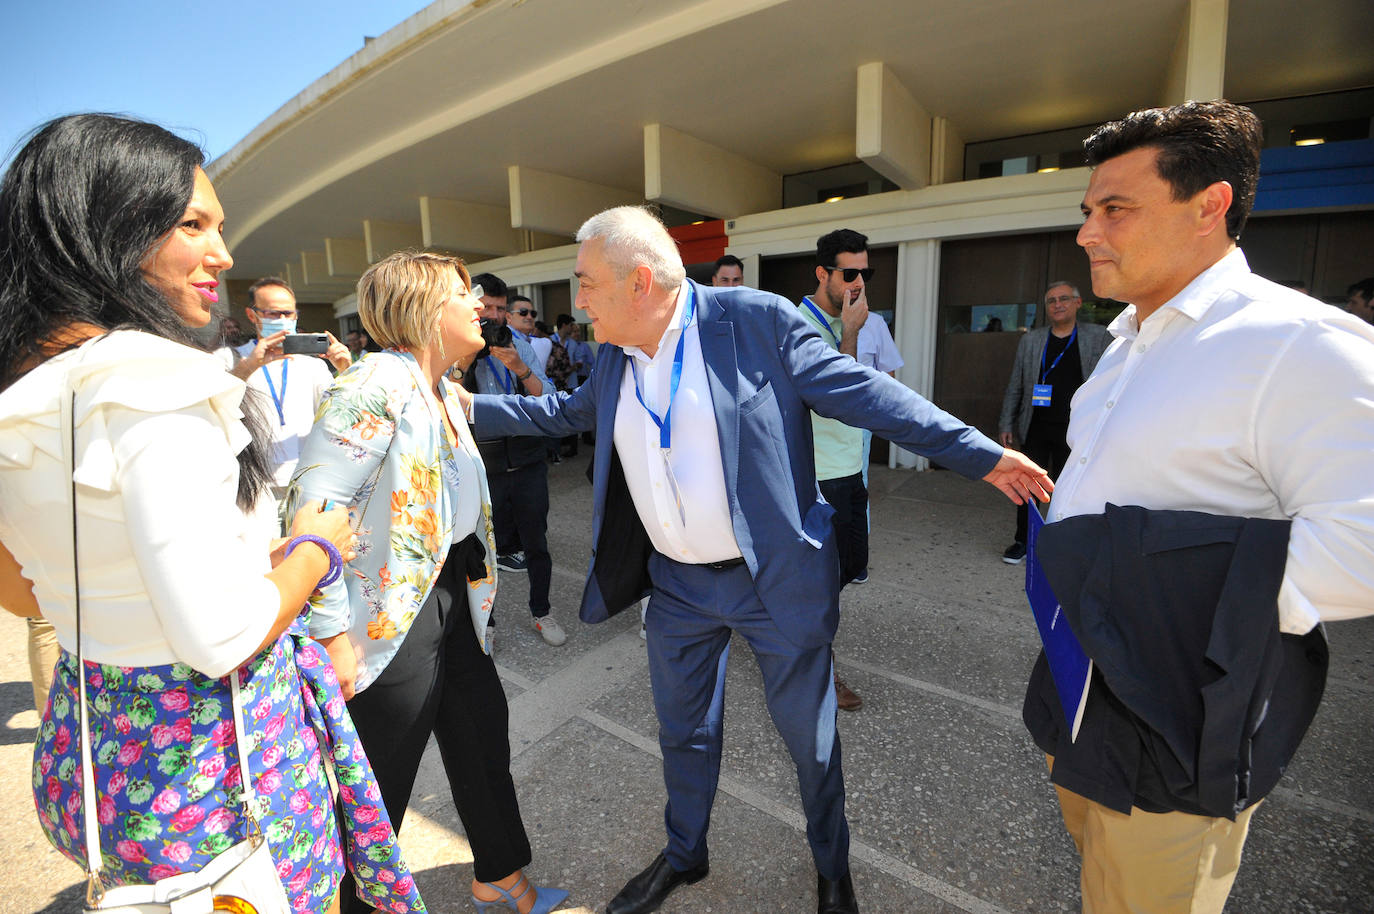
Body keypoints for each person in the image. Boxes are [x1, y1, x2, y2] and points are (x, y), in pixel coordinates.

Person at [456, 205, 1051, 914]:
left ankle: (832, 869)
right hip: (676, 589)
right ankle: (685, 855)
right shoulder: (616, 353)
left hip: (771, 582)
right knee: (683, 734)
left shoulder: (756, 320)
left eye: (585, 282)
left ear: (639, 281)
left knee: (811, 743)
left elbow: (865, 393)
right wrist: (465, 406)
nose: (578, 301)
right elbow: (563, 413)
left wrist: (981, 455)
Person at [0, 113, 421, 914]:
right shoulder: (154, 384)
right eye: (193, 225)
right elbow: (219, 637)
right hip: (216, 773)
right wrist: (314, 548)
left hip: (102, 751)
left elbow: (24, 593)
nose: (222, 254)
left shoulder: (26, 393)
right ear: (108, 227)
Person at [1025, 100, 1374, 914]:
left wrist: (1169, 610)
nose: (1086, 232)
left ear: (1209, 205)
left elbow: (1363, 543)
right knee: (1101, 882)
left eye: (1115, 209)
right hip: (1080, 685)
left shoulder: (1298, 342)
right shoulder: (1126, 346)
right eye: (1087, 210)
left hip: (1181, 711)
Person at [289, 250, 570, 914]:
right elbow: (312, 508)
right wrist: (331, 634)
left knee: (481, 733)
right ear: (421, 308)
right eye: (462, 293)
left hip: (452, 593)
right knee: (381, 774)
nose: (479, 305)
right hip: (389, 613)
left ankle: (499, 874)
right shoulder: (372, 384)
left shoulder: (439, 387)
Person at [796, 228, 877, 711]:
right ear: (822, 273)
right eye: (849, 274)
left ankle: (788, 623)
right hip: (818, 476)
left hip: (850, 469)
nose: (858, 283)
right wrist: (850, 334)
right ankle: (817, 669)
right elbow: (835, 398)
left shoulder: (852, 319)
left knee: (850, 566)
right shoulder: (800, 325)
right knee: (822, 583)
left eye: (864, 273)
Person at [467, 272, 566, 647]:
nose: (493, 316)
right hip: (484, 464)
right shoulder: (458, 347)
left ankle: (542, 612)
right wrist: (466, 361)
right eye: (486, 308)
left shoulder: (519, 345)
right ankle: (486, 623)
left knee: (536, 544)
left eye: (499, 308)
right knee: (484, 549)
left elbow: (548, 398)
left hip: (527, 461)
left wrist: (520, 369)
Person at [996, 282, 1110, 565]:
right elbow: (1016, 384)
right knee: (1027, 484)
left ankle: (1064, 543)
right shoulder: (1032, 340)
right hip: (1036, 425)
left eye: (1063, 299)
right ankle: (1024, 541)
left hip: (1077, 429)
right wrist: (1006, 422)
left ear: (1078, 303)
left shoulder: (1099, 337)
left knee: (1071, 488)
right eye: (1051, 301)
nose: (1057, 305)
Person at [234, 277, 353, 494]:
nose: (281, 319)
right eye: (272, 313)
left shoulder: (313, 365)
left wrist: (347, 371)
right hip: (254, 484)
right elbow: (219, 407)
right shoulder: (232, 359)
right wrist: (247, 368)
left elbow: (340, 413)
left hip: (308, 480)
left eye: (288, 313)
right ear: (252, 315)